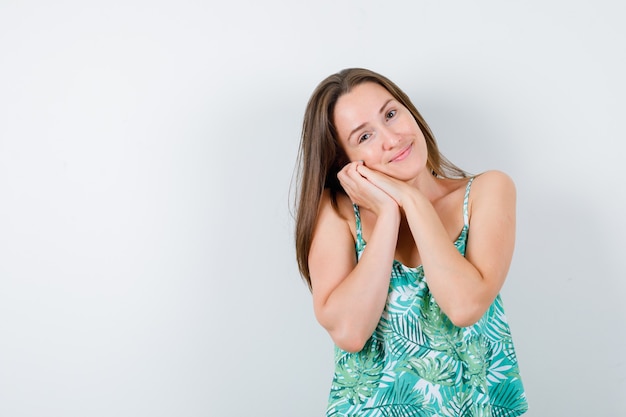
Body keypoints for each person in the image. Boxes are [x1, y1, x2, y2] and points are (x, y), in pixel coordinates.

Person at [293, 68, 528, 416]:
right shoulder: (336, 212)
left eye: (390, 114)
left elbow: (464, 306)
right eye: (364, 137)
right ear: (344, 161)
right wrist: (387, 213)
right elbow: (350, 332)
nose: (392, 138)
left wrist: (412, 200)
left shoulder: (486, 191)